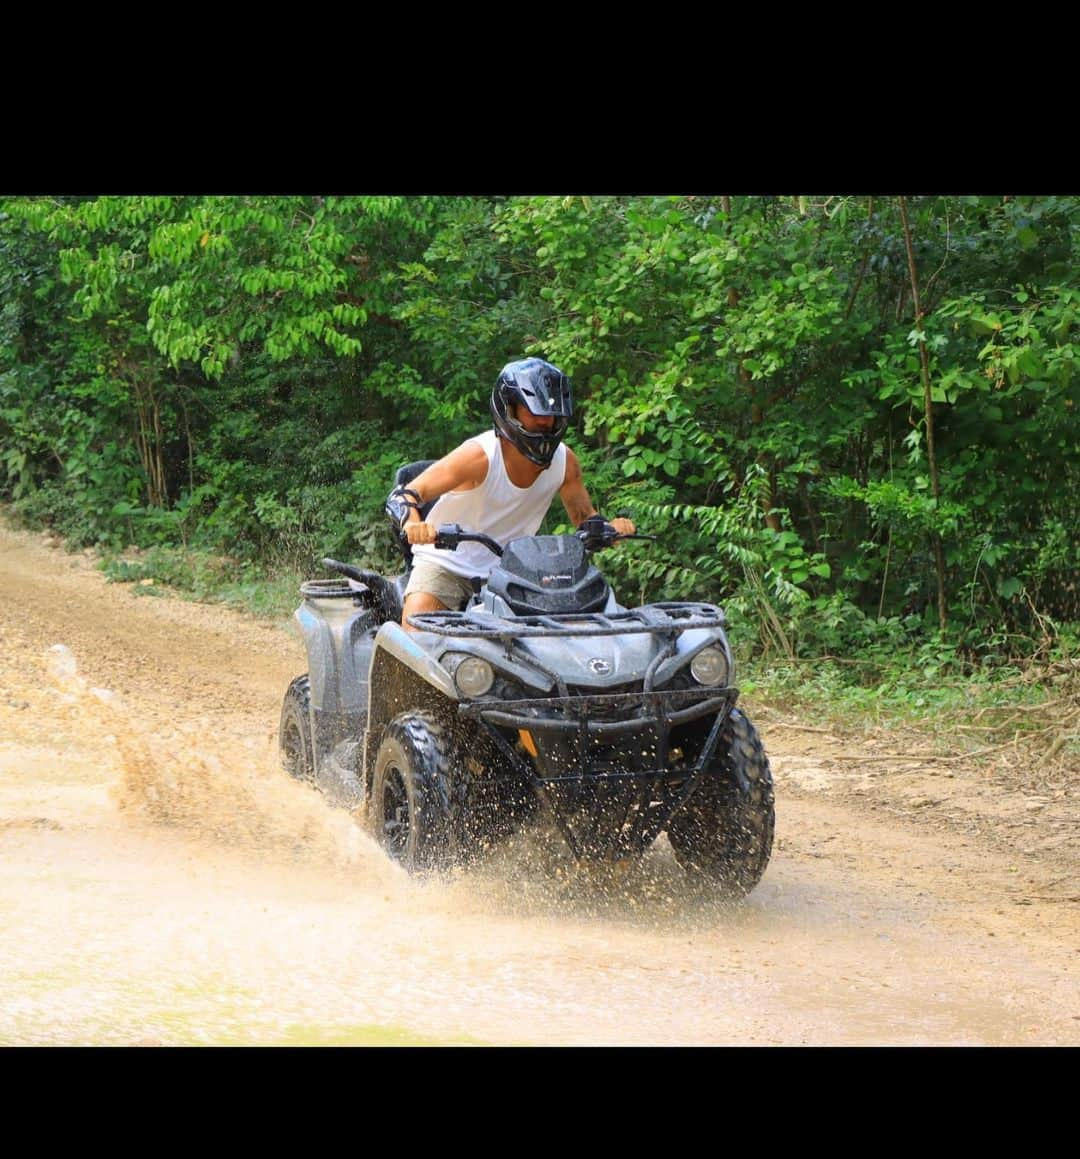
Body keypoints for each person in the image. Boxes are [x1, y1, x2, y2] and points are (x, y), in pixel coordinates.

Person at [386, 357, 635, 630]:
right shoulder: (479, 457)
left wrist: (610, 530)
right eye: (535, 413)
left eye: (551, 414)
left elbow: (585, 520)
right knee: (417, 633)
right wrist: (412, 524)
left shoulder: (565, 462)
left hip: (516, 572)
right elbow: (406, 494)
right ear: (510, 411)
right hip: (448, 565)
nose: (545, 421)